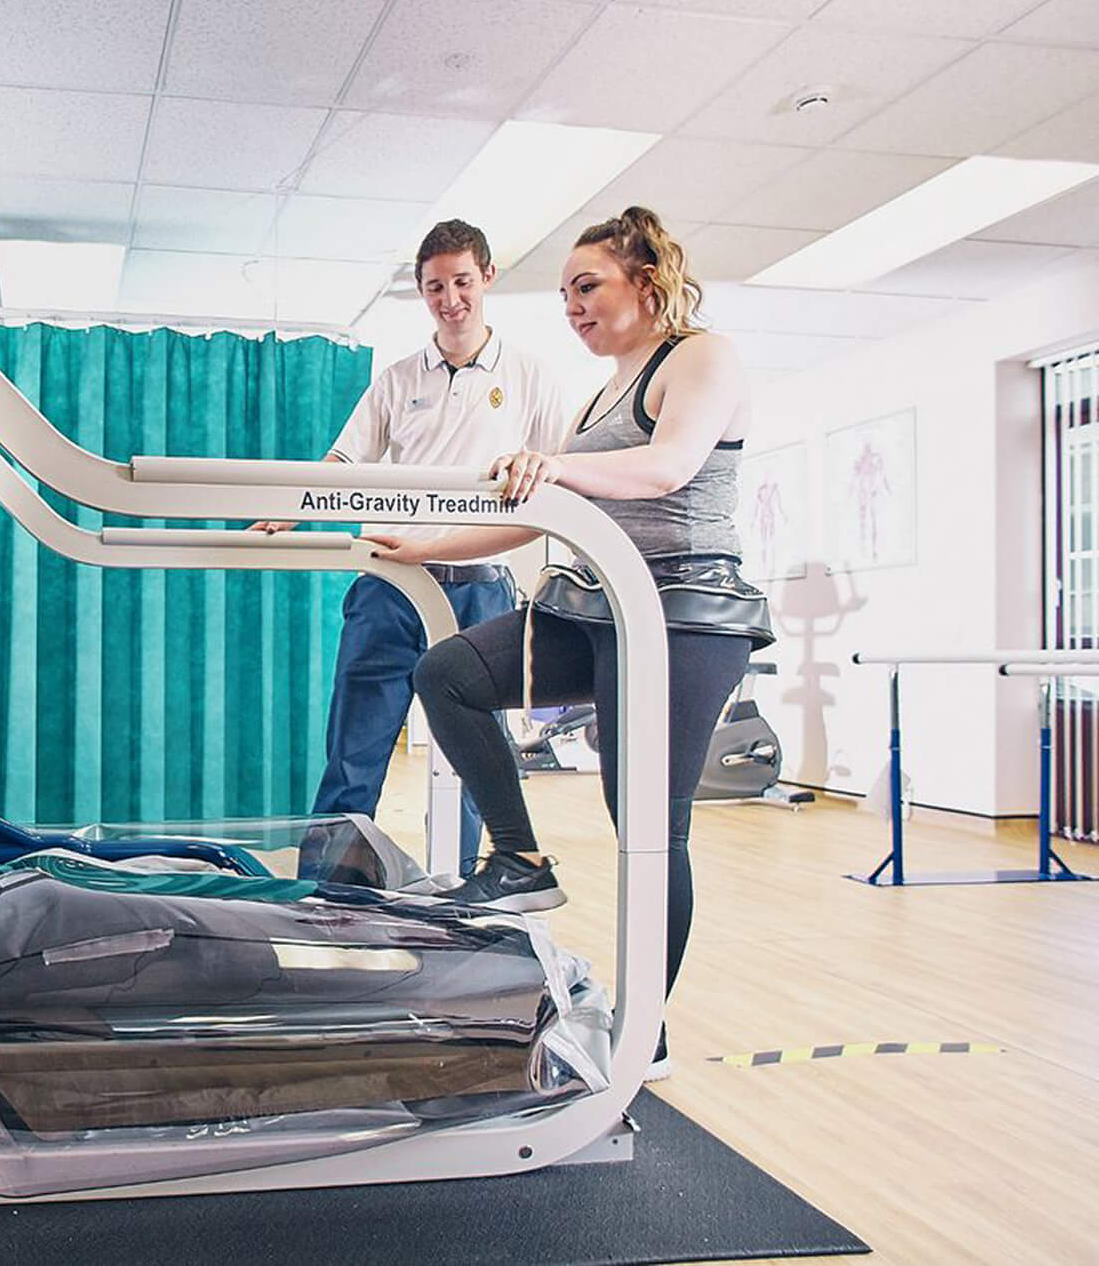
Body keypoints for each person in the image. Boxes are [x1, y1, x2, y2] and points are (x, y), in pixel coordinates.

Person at [366, 206, 772, 1071]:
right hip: (590, 606)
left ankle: (644, 1030)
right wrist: (428, 549)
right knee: (449, 674)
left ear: (648, 282)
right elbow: (543, 511)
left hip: (680, 615)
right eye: (563, 295)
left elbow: (667, 466)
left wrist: (553, 463)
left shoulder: (702, 357)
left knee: (647, 826)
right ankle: (518, 855)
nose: (573, 307)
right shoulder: (602, 391)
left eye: (588, 287)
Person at [257, 219, 567, 866]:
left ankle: (459, 892)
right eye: (434, 286)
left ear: (486, 276)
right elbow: (345, 456)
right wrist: (295, 504)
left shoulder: (531, 375)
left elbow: (555, 470)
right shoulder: (399, 379)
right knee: (354, 750)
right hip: (390, 583)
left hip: (480, 588)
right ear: (421, 291)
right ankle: (324, 895)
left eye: (461, 282)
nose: (450, 298)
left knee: (474, 757)